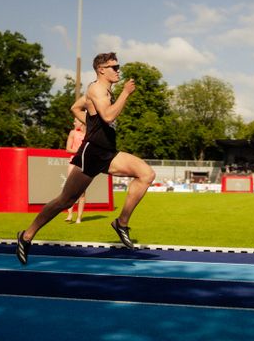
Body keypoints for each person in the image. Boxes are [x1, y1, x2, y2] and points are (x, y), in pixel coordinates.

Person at [16, 52, 156, 264]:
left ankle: (121, 223)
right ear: (101, 69)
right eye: (114, 67)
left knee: (146, 174)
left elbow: (75, 108)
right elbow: (108, 117)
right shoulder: (96, 89)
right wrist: (125, 94)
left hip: (108, 152)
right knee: (66, 200)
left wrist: (89, 124)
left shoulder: (103, 90)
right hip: (92, 153)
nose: (118, 70)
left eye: (118, 67)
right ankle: (27, 235)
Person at [64, 117, 86, 223]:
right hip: (73, 162)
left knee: (82, 192)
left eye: (75, 121)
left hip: (85, 163)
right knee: (70, 189)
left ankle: (79, 218)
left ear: (81, 122)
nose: (73, 123)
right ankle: (69, 214)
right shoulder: (73, 133)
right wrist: (79, 151)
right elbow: (68, 149)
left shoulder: (89, 134)